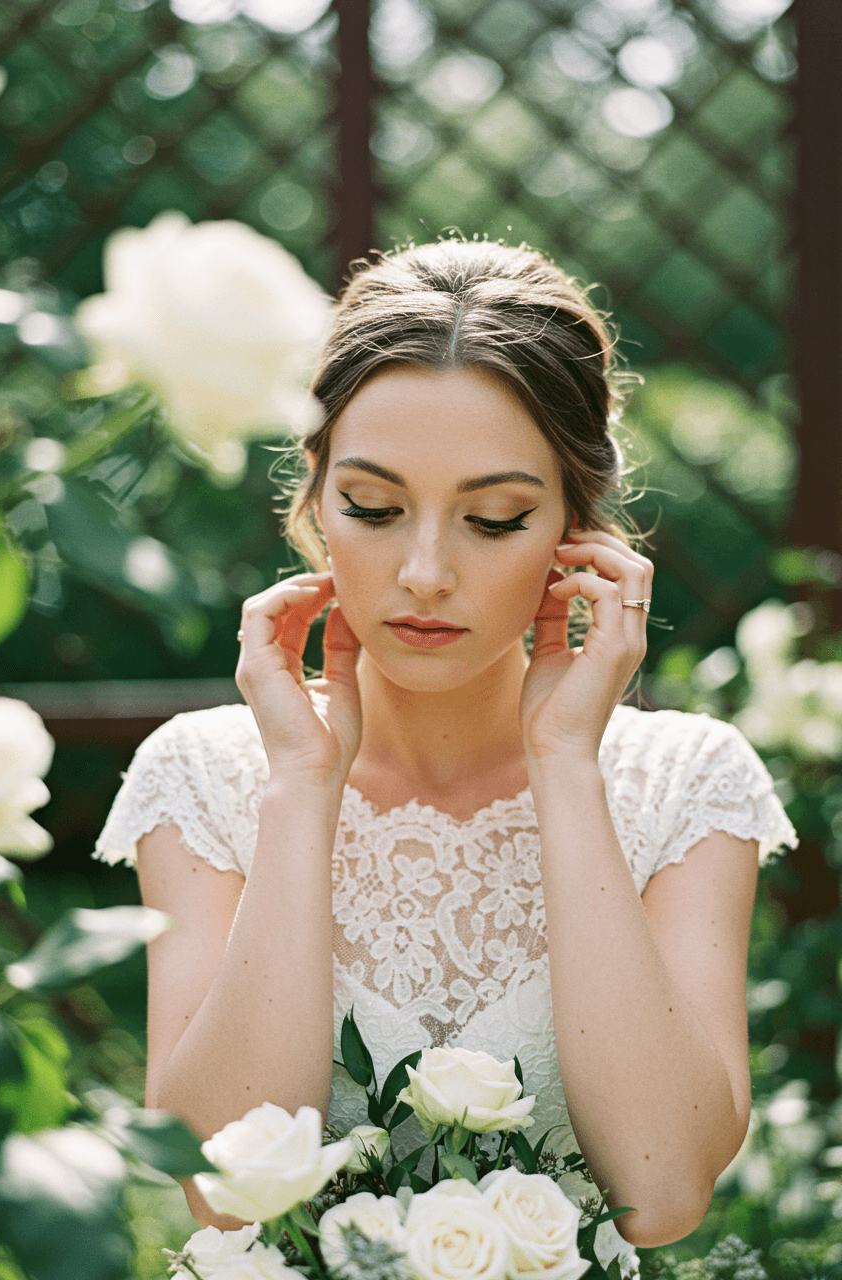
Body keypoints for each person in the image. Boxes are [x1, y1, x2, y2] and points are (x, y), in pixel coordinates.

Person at [95, 240, 796, 1273]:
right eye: (372, 508)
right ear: (315, 502)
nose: (423, 571)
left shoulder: (687, 782)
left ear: (574, 526)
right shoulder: (205, 775)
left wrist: (565, 764)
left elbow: (658, 1190)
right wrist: (299, 788)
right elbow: (215, 1186)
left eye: (494, 518)